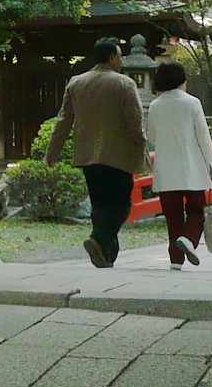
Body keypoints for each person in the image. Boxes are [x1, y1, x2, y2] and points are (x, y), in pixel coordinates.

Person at [43, 37, 146, 269]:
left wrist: (52, 153)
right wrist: (140, 142)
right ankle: (98, 240)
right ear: (111, 58)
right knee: (121, 205)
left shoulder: (76, 83)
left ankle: (107, 255)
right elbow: (134, 120)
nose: (121, 61)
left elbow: (63, 121)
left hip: (88, 155)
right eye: (119, 56)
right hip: (118, 155)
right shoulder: (123, 84)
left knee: (100, 205)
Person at [146, 60, 212, 269]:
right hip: (192, 167)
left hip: (166, 169)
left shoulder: (155, 105)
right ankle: (188, 239)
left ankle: (175, 260)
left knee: (173, 217)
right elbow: (203, 135)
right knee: (196, 210)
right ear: (181, 80)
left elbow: (151, 136)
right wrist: (211, 164)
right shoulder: (192, 103)